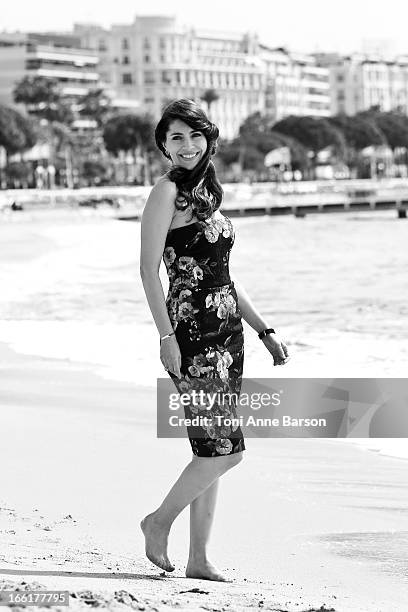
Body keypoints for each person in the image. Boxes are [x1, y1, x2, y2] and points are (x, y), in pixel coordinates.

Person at [139, 99, 289, 581]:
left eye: (194, 136)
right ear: (164, 144)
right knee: (229, 450)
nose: (186, 145)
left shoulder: (207, 193)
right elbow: (147, 271)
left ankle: (199, 558)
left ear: (209, 140)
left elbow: (224, 276)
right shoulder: (166, 193)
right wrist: (166, 336)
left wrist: (263, 329)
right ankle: (157, 522)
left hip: (227, 335)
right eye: (176, 137)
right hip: (191, 336)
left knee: (211, 452)